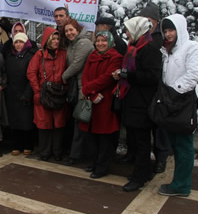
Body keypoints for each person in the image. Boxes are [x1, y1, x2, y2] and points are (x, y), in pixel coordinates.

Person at [113, 16, 162, 192]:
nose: (126, 33)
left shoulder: (149, 50)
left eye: (128, 30)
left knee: (142, 142)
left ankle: (139, 177)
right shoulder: (134, 48)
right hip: (132, 100)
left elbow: (152, 77)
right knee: (135, 139)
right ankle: (144, 171)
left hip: (142, 103)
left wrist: (128, 75)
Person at [158, 14, 198, 197]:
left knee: (184, 145)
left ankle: (182, 185)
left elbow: (194, 75)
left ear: (180, 29)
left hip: (185, 103)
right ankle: (178, 181)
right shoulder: (169, 50)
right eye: (166, 30)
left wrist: (174, 91)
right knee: (176, 144)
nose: (168, 34)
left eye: (171, 30)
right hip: (172, 103)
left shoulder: (191, 48)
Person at [81, 31, 123, 178]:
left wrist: (87, 89)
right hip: (93, 100)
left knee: (105, 137)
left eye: (103, 41)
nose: (100, 43)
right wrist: (90, 93)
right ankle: (95, 162)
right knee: (92, 136)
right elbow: (85, 76)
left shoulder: (116, 57)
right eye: (98, 40)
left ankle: (103, 167)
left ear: (110, 42)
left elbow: (107, 78)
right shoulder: (92, 56)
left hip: (106, 102)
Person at [27, 27, 68, 161]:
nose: (56, 41)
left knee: (58, 125)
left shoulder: (63, 54)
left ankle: (57, 153)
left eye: (57, 38)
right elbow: (31, 73)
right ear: (47, 40)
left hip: (59, 94)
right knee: (44, 125)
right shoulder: (39, 55)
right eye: (53, 39)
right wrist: (37, 90)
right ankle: (45, 152)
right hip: (43, 95)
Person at [140, 2, 171, 173]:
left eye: (149, 20)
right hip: (146, 91)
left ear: (156, 21)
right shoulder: (141, 37)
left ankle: (161, 158)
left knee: (160, 129)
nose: (146, 23)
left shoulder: (162, 39)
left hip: (160, 90)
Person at [61, 19, 94, 165]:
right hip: (75, 86)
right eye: (66, 31)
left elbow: (76, 64)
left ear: (78, 29)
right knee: (77, 120)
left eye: (71, 30)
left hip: (84, 87)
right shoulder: (72, 44)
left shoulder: (84, 43)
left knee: (81, 121)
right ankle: (79, 153)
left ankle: (76, 156)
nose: (69, 33)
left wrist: (63, 76)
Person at [4, 32, 38, 156]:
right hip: (12, 94)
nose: (18, 45)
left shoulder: (31, 56)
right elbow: (5, 73)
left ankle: (28, 145)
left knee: (27, 122)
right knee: (14, 122)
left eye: (21, 42)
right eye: (16, 42)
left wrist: (27, 93)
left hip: (25, 93)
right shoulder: (10, 56)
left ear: (26, 43)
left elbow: (32, 76)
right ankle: (16, 145)